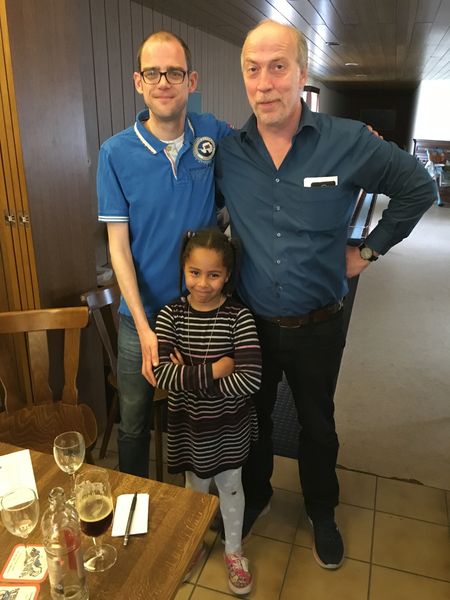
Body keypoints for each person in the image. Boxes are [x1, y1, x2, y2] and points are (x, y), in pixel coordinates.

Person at [215, 19, 435, 570]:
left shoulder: (349, 141)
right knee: (254, 420)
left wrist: (368, 251)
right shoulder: (228, 151)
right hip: (251, 324)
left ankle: (321, 510)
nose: (264, 83)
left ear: (302, 73)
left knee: (317, 424)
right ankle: (257, 494)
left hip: (319, 323)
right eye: (252, 69)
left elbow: (419, 187)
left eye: (278, 67)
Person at [97, 31, 230, 477]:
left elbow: (266, 145)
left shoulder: (212, 134)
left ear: (191, 80)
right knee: (134, 423)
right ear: (138, 82)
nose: (163, 82)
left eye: (174, 72)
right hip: (143, 316)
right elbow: (118, 247)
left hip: (202, 314)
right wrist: (142, 325)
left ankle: (201, 503)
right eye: (152, 73)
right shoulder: (115, 153)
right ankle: (137, 502)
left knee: (206, 414)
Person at [154, 228, 261, 595]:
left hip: (229, 426)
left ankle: (233, 551)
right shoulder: (170, 315)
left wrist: (189, 375)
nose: (203, 283)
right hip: (189, 425)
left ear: (227, 274)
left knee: (231, 487)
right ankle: (193, 544)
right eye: (195, 273)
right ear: (184, 269)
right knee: (194, 488)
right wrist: (216, 370)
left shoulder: (238, 317)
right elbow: (162, 375)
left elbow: (250, 380)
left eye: (213, 274)